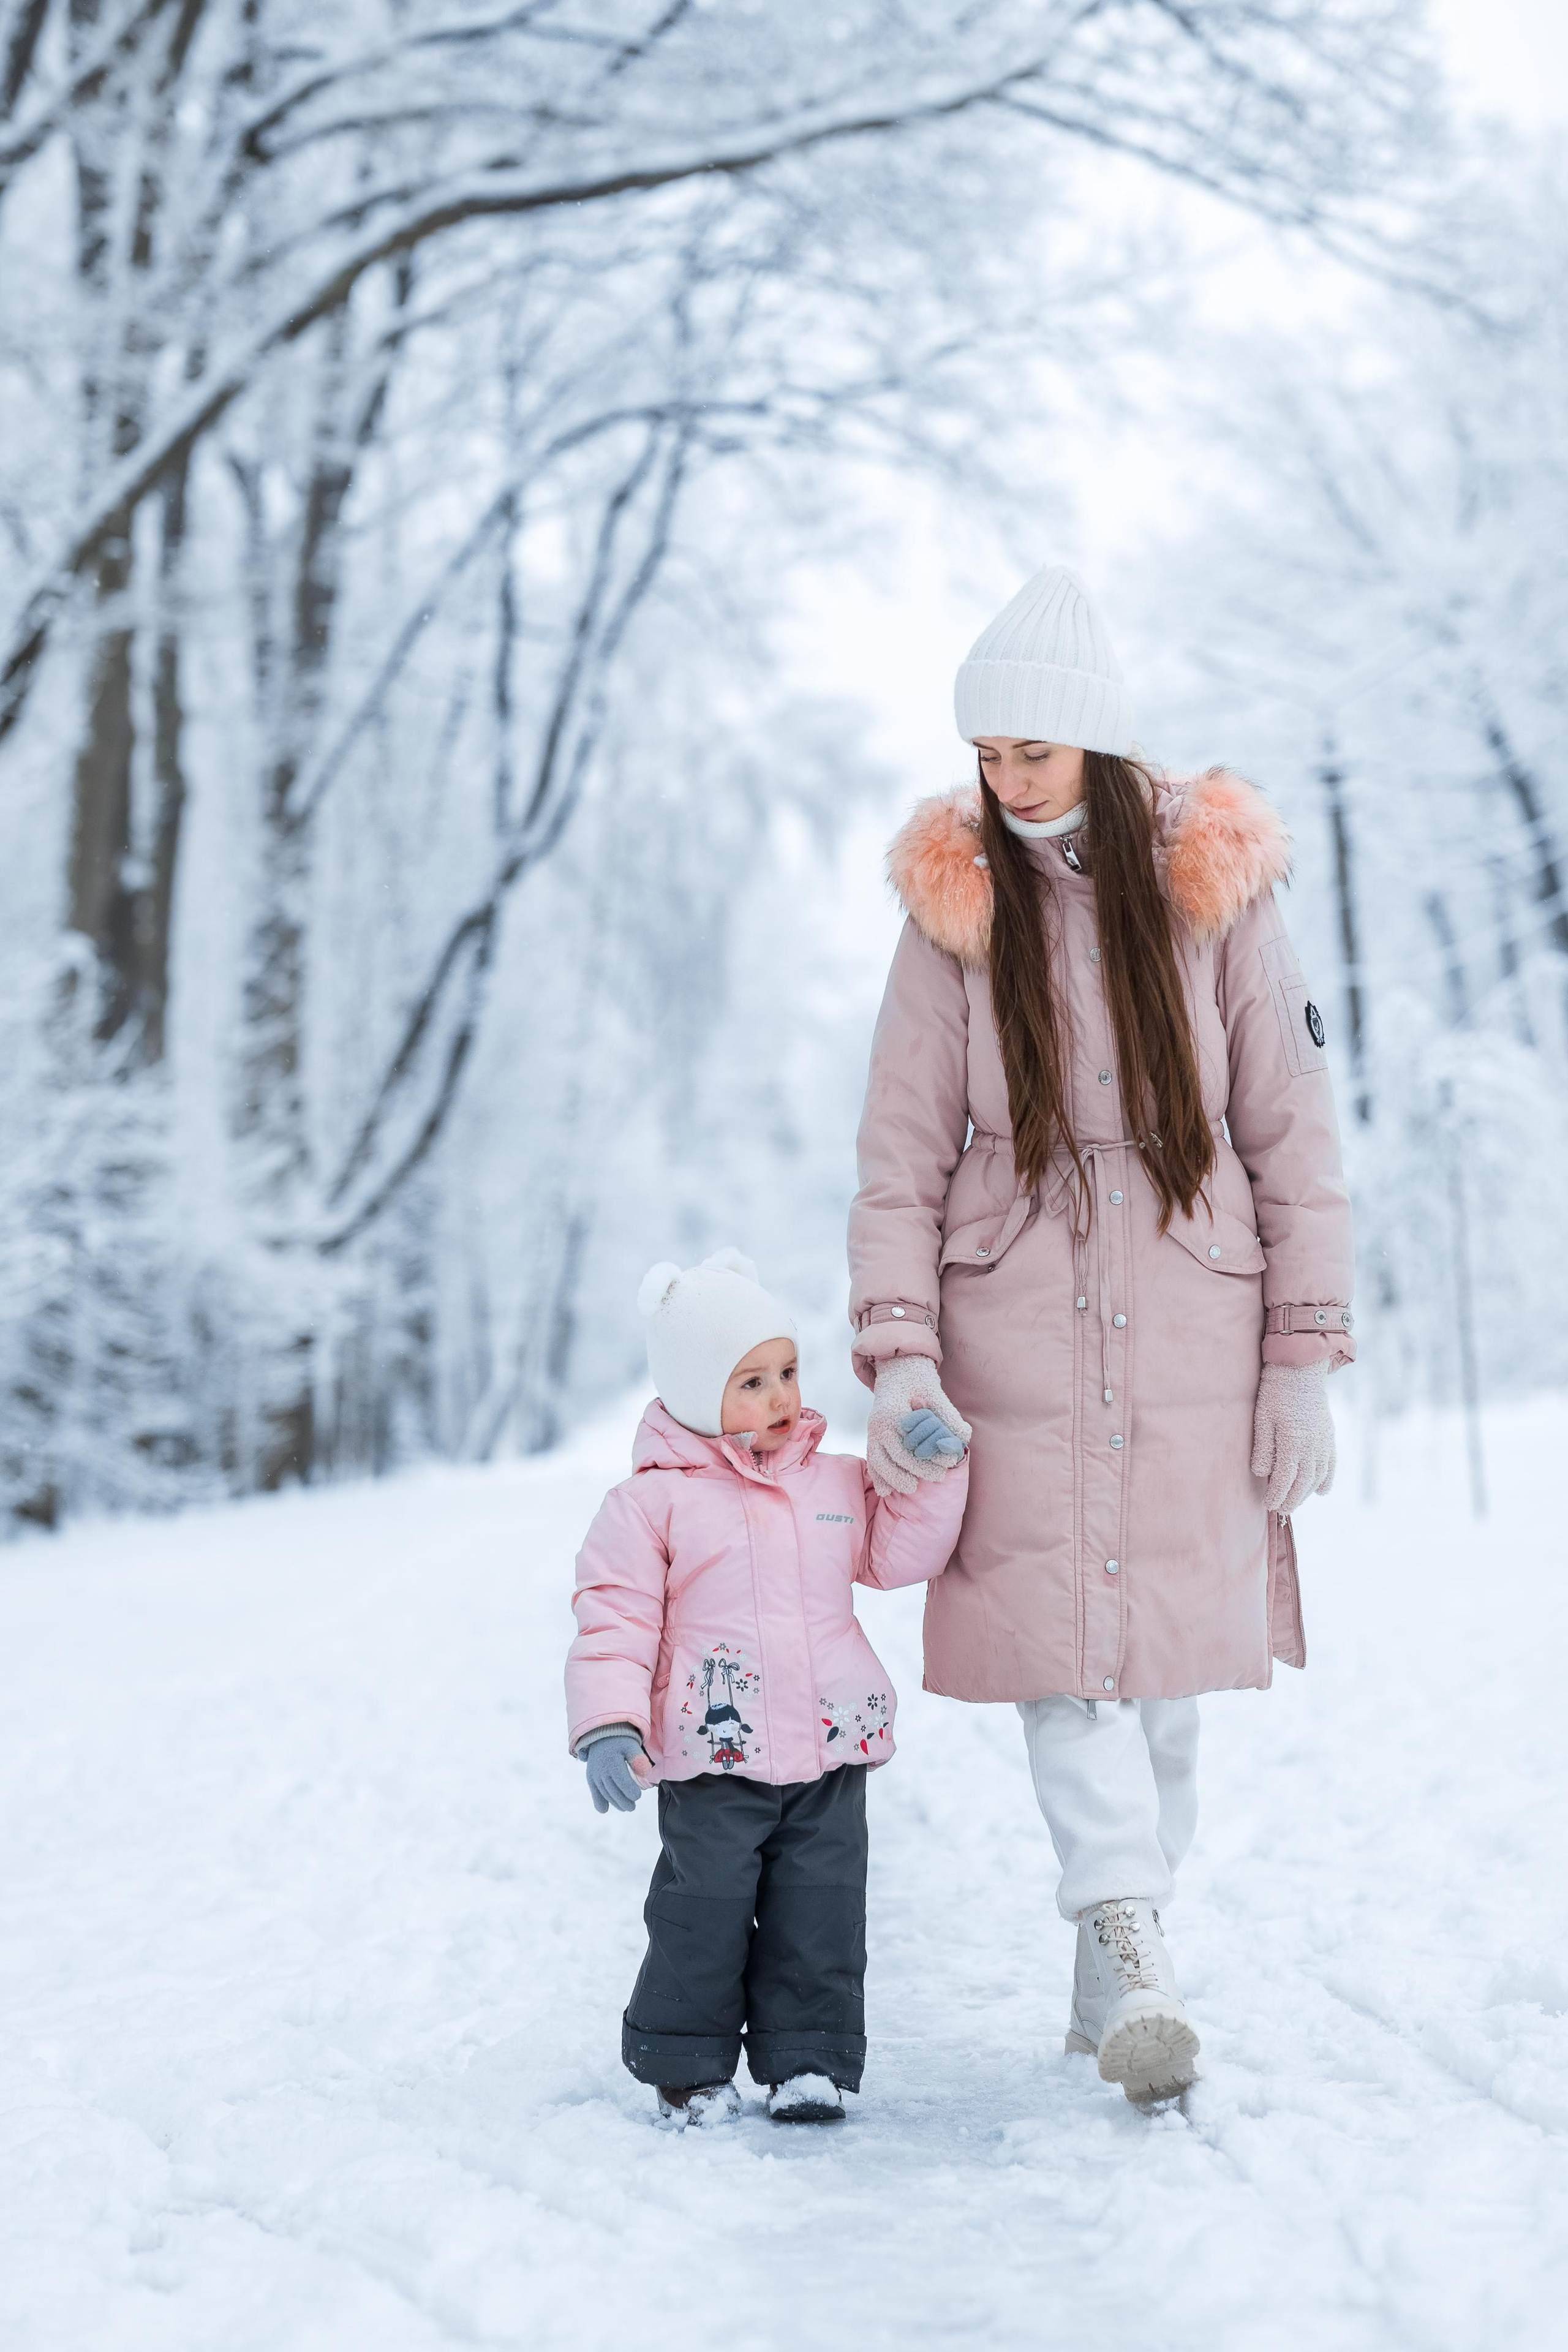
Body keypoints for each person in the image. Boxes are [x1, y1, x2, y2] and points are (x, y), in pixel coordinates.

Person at [848, 564, 1354, 2103]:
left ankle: (1112, 1972)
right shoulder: (953, 906)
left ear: (1098, 743)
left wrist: (1300, 1359)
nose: (1004, 781)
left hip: (1195, 1317)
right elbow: (898, 1150)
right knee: (1065, 1661)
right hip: (1011, 1327)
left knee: (1167, 1675)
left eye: (1033, 750)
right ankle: (1129, 1937)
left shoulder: (1214, 890)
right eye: (984, 754)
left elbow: (1291, 1135)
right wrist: (900, 1350)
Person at [566, 1247, 968, 2127]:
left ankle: (808, 2062)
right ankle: (688, 2066)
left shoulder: (836, 1482)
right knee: (701, 1911)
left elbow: (899, 1553)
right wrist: (608, 1724)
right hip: (715, 1757)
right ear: (694, 1393)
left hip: (829, 1748)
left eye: (787, 1371)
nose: (782, 1396)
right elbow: (614, 1619)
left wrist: (931, 1474)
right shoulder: (650, 1506)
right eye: (751, 1382)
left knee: (821, 1912)